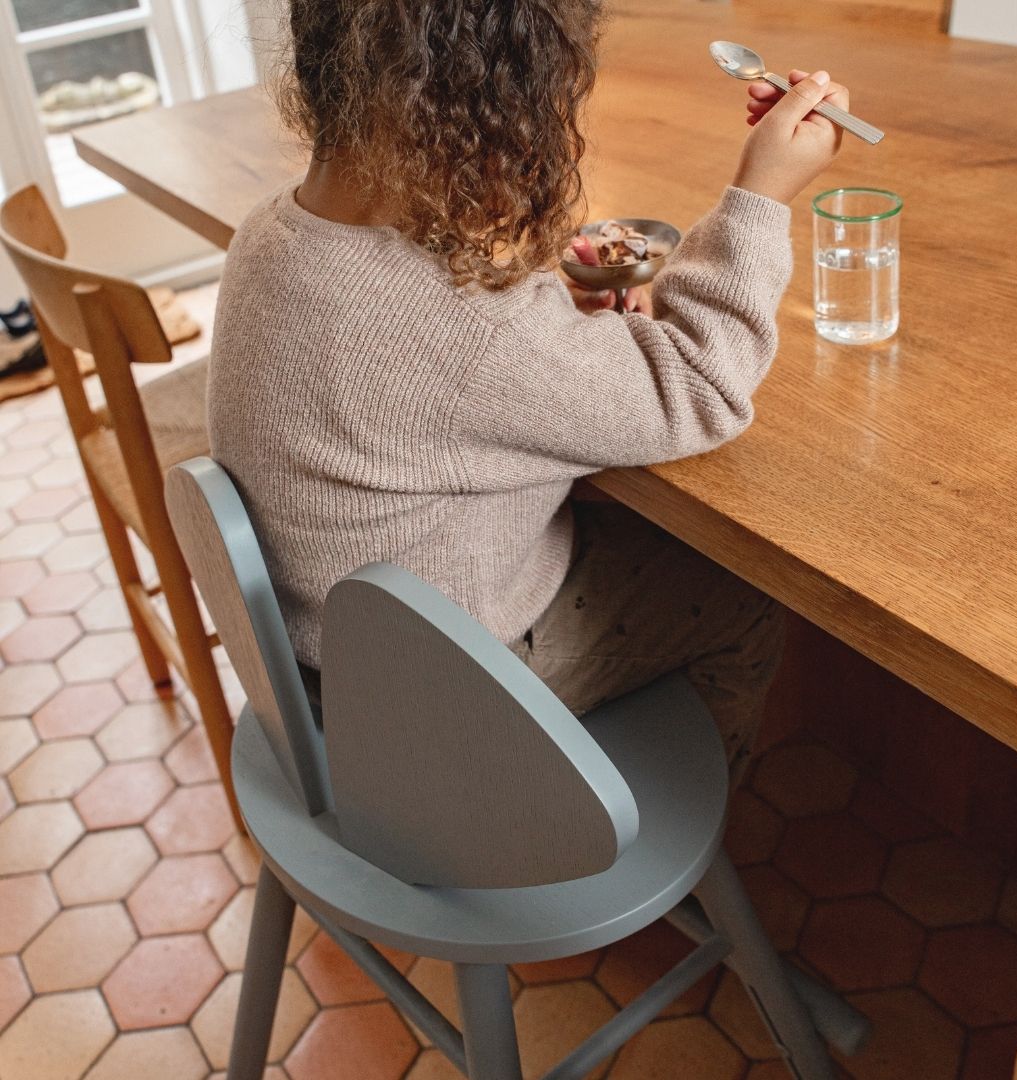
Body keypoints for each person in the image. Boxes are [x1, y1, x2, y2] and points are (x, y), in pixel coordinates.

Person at [207, 1, 850, 781]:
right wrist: (762, 191)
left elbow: (429, 374)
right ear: (491, 110)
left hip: (325, 675)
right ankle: (636, 831)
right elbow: (700, 387)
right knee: (738, 599)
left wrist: (553, 329)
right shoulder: (466, 330)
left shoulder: (267, 234)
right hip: (456, 699)